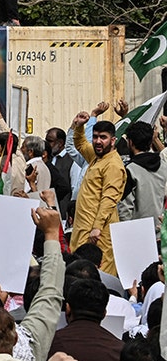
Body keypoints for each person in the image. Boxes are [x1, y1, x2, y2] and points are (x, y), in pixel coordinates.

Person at [68, 111, 126, 275]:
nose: (98, 141)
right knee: (77, 273)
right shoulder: (96, 156)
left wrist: (97, 228)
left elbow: (109, 199)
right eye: (95, 137)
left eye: (103, 137)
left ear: (113, 140)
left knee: (98, 276)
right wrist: (79, 126)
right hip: (83, 227)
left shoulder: (113, 165)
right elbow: (79, 144)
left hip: (98, 232)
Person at [118, 122, 166, 228]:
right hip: (161, 230)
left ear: (130, 142)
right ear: (150, 142)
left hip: (139, 234)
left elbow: (124, 208)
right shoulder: (164, 165)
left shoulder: (130, 170)